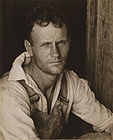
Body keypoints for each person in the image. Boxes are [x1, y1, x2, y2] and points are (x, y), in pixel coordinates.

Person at [0, 2, 113, 140]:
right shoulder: (10, 93)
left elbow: (108, 122)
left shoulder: (70, 82)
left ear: (69, 42)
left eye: (61, 43)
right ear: (29, 47)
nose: (56, 53)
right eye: (46, 45)